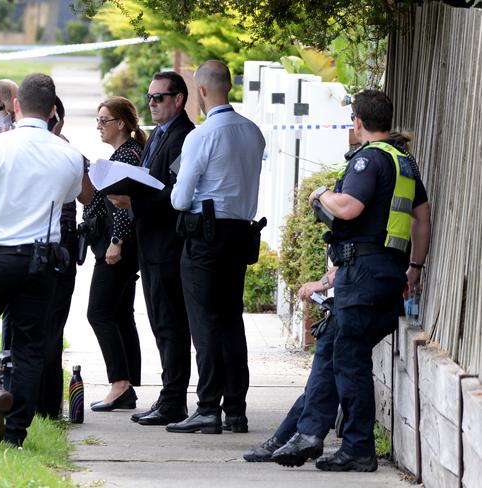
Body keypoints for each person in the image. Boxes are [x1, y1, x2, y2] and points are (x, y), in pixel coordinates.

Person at [270, 90, 431, 472]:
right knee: (332, 348)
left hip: (363, 274)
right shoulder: (404, 162)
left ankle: (357, 448)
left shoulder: (369, 160)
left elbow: (350, 207)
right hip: (388, 272)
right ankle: (304, 434)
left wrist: (322, 192)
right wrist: (415, 267)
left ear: (357, 122)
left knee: (349, 358)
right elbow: (422, 219)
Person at [0, 73, 84, 447]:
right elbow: (74, 195)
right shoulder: (69, 154)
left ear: (17, 106)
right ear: (53, 111)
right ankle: (15, 435)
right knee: (30, 348)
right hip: (42, 261)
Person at [167, 60, 265, 434]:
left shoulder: (202, 136)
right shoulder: (252, 132)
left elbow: (180, 199)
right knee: (230, 321)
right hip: (240, 235)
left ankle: (208, 407)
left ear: (202, 91)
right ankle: (235, 409)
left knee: (205, 324)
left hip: (205, 237)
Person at [108, 71, 195, 426]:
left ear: (179, 99)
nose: (153, 103)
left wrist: (133, 202)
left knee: (171, 324)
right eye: (150, 97)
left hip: (168, 244)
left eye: (160, 97)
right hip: (151, 243)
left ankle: (174, 399)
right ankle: (167, 395)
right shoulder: (160, 134)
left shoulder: (183, 137)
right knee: (160, 322)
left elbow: (174, 195)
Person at [85, 96, 146, 411]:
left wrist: (117, 241)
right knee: (121, 313)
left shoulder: (126, 156)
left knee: (99, 312)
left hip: (118, 246)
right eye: (97, 120)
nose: (99, 126)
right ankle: (127, 387)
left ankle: (120, 384)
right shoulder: (126, 153)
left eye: (104, 120)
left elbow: (122, 203)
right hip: (122, 243)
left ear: (121, 123)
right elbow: (98, 201)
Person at [36, 96, 94, 418]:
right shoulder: (69, 153)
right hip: (60, 248)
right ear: (57, 117)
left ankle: (27, 399)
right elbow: (88, 194)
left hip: (23, 247)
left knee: (26, 326)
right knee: (53, 325)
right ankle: (47, 405)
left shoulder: (15, 148)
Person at [243, 268, 339, 462]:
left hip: (363, 296)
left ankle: (297, 438)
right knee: (323, 377)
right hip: (361, 295)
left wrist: (322, 284)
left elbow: (359, 256)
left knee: (324, 374)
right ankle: (292, 437)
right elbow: (345, 258)